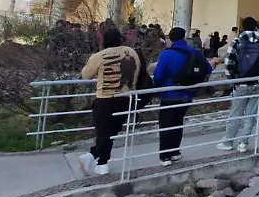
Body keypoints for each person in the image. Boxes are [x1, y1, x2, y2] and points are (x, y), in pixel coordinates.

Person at [78, 28, 142, 176]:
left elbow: (86, 75)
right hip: (126, 99)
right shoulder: (132, 53)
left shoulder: (99, 56)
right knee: (111, 132)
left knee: (103, 132)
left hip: (105, 99)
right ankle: (102, 163)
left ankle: (92, 157)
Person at [152, 27, 213, 166]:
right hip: (187, 94)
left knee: (166, 125)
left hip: (169, 94)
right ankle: (175, 152)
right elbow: (208, 69)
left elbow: (159, 76)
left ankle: (165, 155)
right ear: (184, 38)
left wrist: (158, 89)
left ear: (170, 39)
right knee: (178, 122)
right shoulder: (195, 52)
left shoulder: (166, 54)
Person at [219, 17, 259, 152]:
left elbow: (229, 63)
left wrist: (232, 79)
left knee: (236, 113)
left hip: (241, 83)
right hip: (257, 83)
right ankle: (243, 143)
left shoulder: (237, 42)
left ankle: (228, 142)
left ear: (242, 27)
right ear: (255, 27)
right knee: (251, 114)